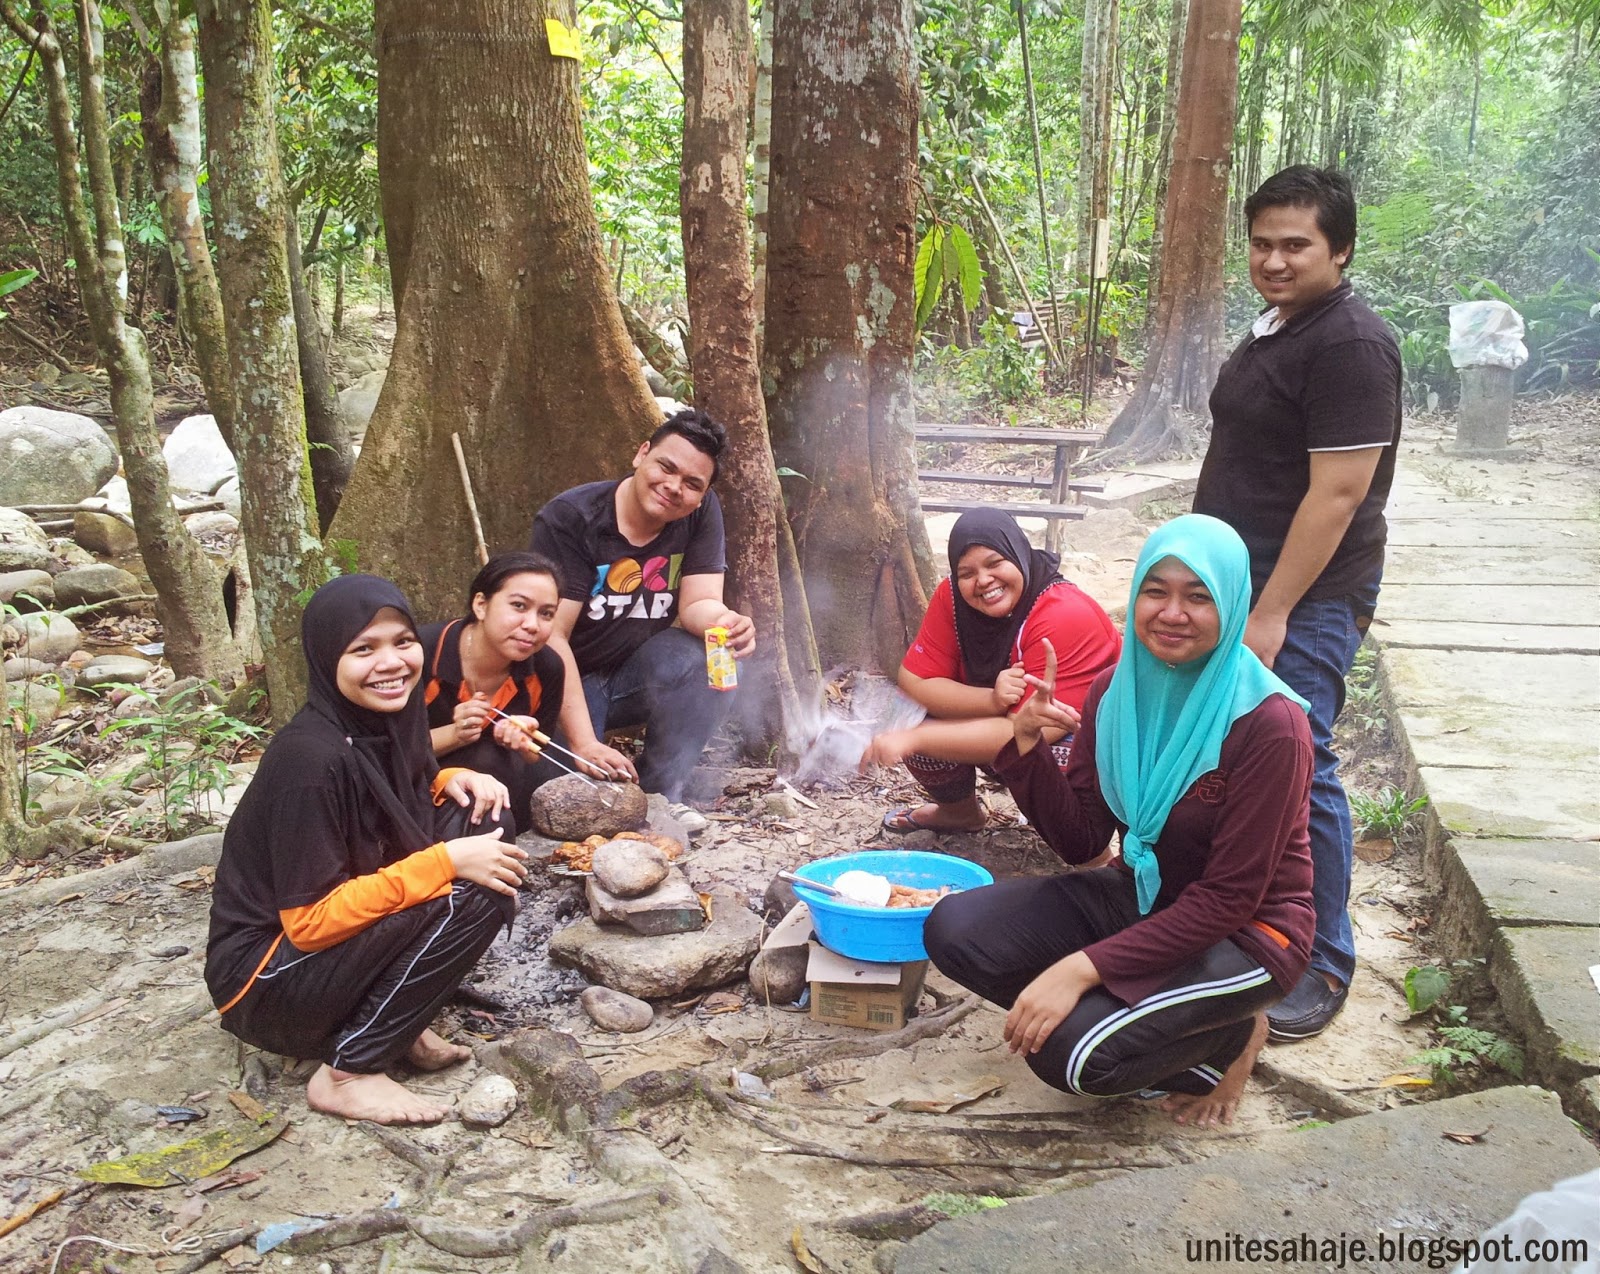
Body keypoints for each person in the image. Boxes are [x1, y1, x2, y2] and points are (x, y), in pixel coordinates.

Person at [924, 515, 1315, 1127]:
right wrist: (1024, 749)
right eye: (1156, 591)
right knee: (954, 929)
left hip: (1248, 935)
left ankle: (1229, 1039)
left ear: (1233, 604)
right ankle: (1149, 1013)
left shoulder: (1269, 724)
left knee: (1068, 1058)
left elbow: (1231, 898)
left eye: (1198, 595)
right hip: (1141, 894)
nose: (1171, 612)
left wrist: (1082, 969)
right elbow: (1082, 838)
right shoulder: (1115, 691)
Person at [1192, 165, 1402, 1041]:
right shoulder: (1280, 326)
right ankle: (1240, 919)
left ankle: (1323, 958)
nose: (1274, 260)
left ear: (1340, 249)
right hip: (1241, 579)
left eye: (1296, 245)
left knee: (1301, 754)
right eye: (1262, 243)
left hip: (1306, 593)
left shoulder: (1349, 343)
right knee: (1234, 752)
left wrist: (1272, 612)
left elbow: (1338, 494)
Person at [205, 575, 531, 1125]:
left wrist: (446, 778)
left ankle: (394, 1023)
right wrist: (446, 863)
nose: (392, 663)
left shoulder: (385, 722)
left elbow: (382, 805)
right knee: (473, 889)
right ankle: (349, 1071)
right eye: (364, 649)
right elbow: (308, 923)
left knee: (486, 816)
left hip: (314, 965)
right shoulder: (308, 761)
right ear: (328, 657)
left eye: (403, 642)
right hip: (263, 984)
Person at [530, 408, 755, 829]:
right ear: (642, 454)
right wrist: (583, 741)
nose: (674, 488)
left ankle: (660, 794)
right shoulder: (573, 518)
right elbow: (550, 636)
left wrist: (727, 621)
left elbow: (696, 605)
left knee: (719, 658)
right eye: (666, 468)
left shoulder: (700, 513)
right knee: (578, 800)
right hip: (561, 677)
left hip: (632, 670)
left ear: (703, 494)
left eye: (692, 484)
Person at [861, 509, 1120, 833]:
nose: (983, 580)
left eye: (995, 563)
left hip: (1089, 743)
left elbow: (1031, 731)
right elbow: (915, 680)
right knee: (909, 710)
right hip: (1006, 724)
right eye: (967, 572)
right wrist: (991, 700)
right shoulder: (953, 598)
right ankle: (960, 813)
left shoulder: (1063, 613)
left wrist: (915, 739)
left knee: (1056, 750)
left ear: (1018, 554)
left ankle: (1087, 845)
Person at [420, 552, 568, 834]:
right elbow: (387, 751)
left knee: (558, 765)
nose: (532, 625)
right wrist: (455, 733)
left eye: (546, 613)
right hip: (418, 779)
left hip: (499, 779)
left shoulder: (547, 668)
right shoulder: (423, 654)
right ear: (481, 605)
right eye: (519, 606)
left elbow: (536, 754)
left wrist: (524, 742)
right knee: (485, 759)